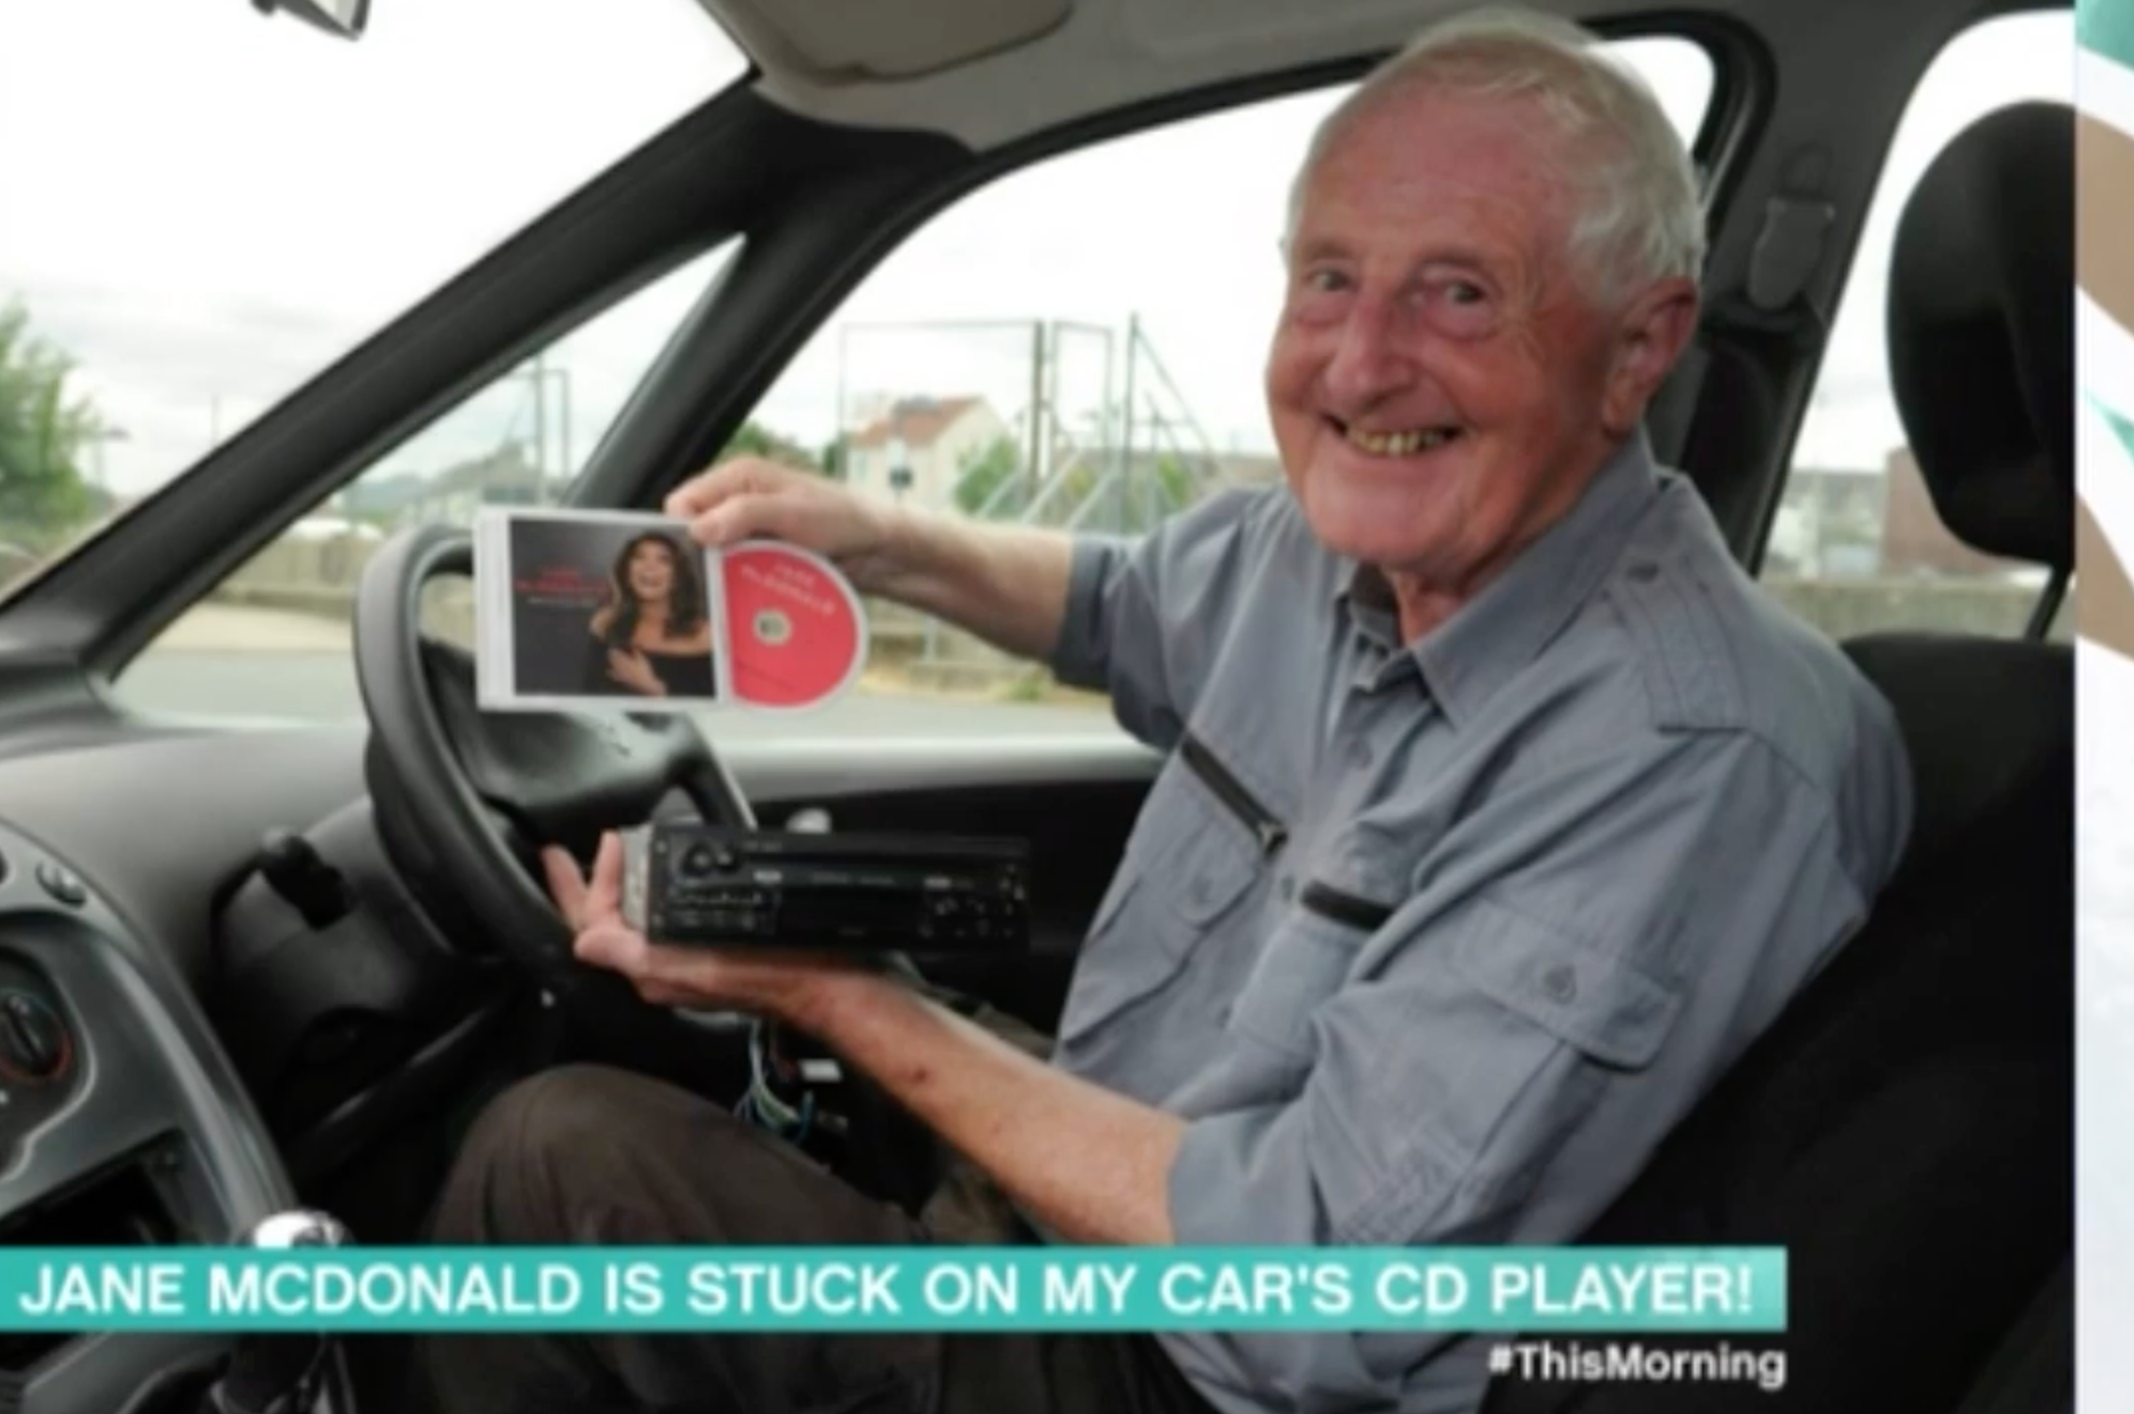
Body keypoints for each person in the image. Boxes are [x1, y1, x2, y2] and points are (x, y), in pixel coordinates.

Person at [416, 9, 1913, 1413]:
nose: (1361, 359)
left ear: (1638, 346)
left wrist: (835, 993)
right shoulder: (1335, 550)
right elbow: (1118, 600)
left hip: (1191, 1366)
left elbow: (1311, 1285)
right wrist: (879, 541)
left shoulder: (1686, 750)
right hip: (1098, 1199)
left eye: (1459, 291)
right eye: (1328, 277)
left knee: (560, 1170)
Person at [581, 530, 717, 699]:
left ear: (677, 577)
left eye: (664, 560)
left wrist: (652, 688)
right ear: (627, 572)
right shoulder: (605, 622)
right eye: (639, 557)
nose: (649, 566)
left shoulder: (706, 635)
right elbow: (588, 693)